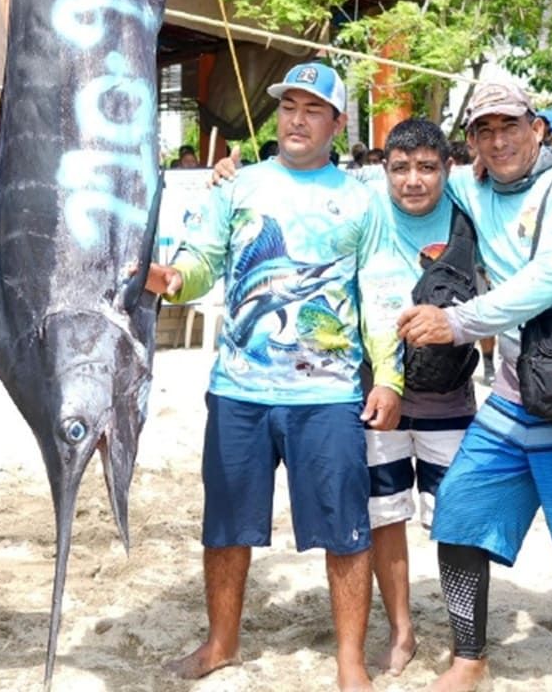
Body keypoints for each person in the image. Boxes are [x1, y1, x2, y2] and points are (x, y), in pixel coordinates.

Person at [143, 60, 399, 692]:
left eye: (314, 109)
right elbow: (201, 262)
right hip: (240, 392)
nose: (298, 118)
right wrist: (173, 281)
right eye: (289, 106)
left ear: (338, 123)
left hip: (329, 395)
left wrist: (388, 375)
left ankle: (350, 662)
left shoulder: (362, 199)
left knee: (345, 528)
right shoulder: (236, 186)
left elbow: (380, 292)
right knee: (226, 526)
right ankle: (222, 643)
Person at [393, 77, 552, 692]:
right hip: (516, 385)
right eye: (484, 129)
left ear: (538, 128)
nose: (498, 139)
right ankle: (469, 657)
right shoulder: (470, 187)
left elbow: (549, 280)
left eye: (510, 125)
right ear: (473, 143)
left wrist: (453, 323)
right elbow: (406, 188)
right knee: (459, 510)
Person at [357, 118, 474, 677]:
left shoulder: (467, 208)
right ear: (383, 169)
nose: (413, 181)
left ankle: (465, 637)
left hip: (449, 394)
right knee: (385, 515)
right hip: (377, 397)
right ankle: (402, 631)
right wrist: (227, 174)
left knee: (454, 519)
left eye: (427, 167)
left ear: (447, 170)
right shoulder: (364, 209)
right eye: (400, 168)